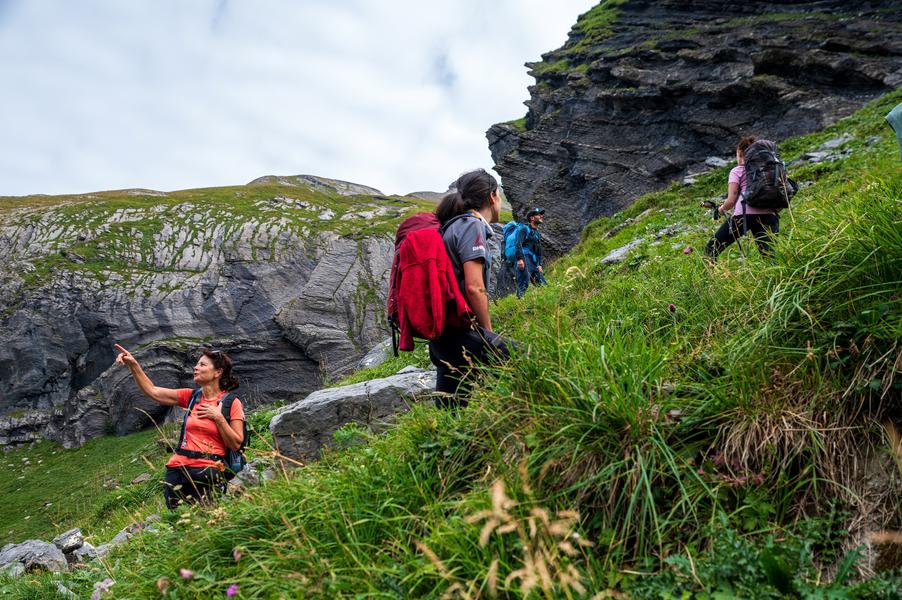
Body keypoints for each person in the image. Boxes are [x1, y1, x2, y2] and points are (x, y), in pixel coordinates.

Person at [114, 344, 245, 509]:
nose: (196, 367)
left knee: (206, 517)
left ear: (218, 372)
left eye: (202, 365)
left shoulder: (231, 403)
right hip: (177, 470)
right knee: (177, 520)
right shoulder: (192, 396)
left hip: (207, 470)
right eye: (196, 364)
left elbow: (236, 444)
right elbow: (153, 391)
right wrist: (133, 365)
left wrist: (218, 418)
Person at [429, 169, 511, 408]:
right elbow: (475, 287)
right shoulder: (471, 225)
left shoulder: (451, 226)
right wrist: (489, 334)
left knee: (451, 410)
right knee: (524, 360)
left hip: (442, 339)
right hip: (461, 334)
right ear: (492, 197)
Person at [704, 135, 780, 261]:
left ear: (740, 154)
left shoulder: (737, 171)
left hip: (744, 215)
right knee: (769, 256)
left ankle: (712, 273)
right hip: (770, 215)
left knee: (711, 249)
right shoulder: (771, 169)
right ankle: (780, 274)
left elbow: (731, 201)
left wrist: (721, 209)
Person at [513, 207, 548, 298]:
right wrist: (519, 259)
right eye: (538, 215)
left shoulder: (537, 233)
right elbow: (518, 244)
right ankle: (519, 303)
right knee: (523, 283)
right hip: (524, 259)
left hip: (533, 262)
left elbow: (538, 250)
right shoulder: (524, 229)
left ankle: (544, 302)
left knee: (544, 284)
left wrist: (539, 264)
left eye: (541, 215)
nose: (541, 216)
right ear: (532, 218)